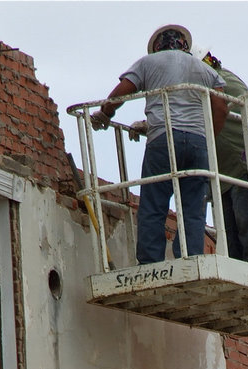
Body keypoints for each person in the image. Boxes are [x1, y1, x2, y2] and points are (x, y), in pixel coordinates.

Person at [91, 25, 228, 265]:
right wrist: (207, 138)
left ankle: (150, 262)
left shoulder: (148, 63)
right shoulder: (204, 69)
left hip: (164, 140)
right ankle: (191, 258)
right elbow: (220, 106)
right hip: (197, 143)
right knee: (192, 209)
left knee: (154, 204)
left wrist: (105, 112)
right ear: (184, 45)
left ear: (157, 47)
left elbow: (122, 91)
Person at [197, 50, 248, 264]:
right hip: (226, 172)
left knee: (247, 225)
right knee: (230, 232)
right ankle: (246, 268)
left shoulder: (220, 82)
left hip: (244, 166)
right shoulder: (211, 83)